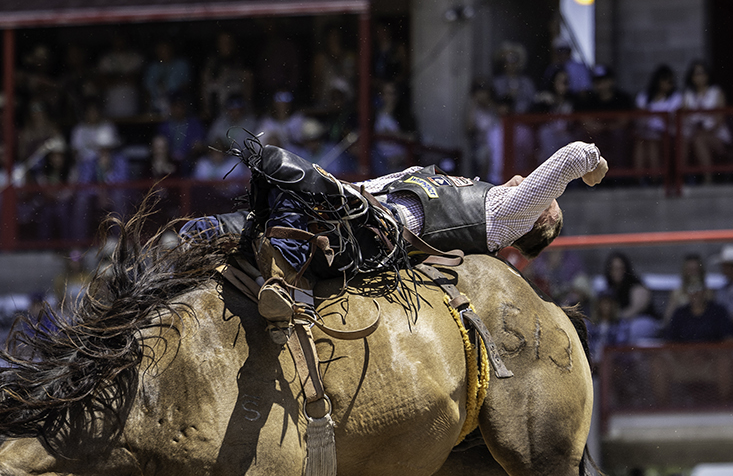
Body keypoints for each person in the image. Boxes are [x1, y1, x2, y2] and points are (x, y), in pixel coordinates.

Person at [241, 140, 609, 333]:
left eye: (548, 200)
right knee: (270, 186)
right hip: (360, 209)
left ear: (535, 217)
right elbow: (375, 185)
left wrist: (595, 163)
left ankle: (283, 278)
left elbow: (574, 156)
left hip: (372, 233)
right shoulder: (470, 189)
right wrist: (335, 188)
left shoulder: (507, 214)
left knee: (277, 162)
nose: (528, 181)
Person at [680, 60, 730, 183]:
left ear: (708, 75)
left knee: (699, 139)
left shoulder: (717, 92)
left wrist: (704, 131)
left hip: (716, 136)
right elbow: (683, 119)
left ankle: (708, 178)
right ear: (691, 77)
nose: (700, 77)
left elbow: (719, 119)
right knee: (683, 141)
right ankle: (683, 179)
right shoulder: (688, 95)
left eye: (702, 73)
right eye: (696, 74)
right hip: (693, 134)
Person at [633, 65, 681, 176]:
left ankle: (655, 178)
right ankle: (639, 178)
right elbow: (640, 118)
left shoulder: (676, 98)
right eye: (665, 80)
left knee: (652, 143)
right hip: (646, 132)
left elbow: (673, 120)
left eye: (671, 81)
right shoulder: (644, 97)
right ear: (658, 81)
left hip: (667, 133)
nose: (668, 83)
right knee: (641, 143)